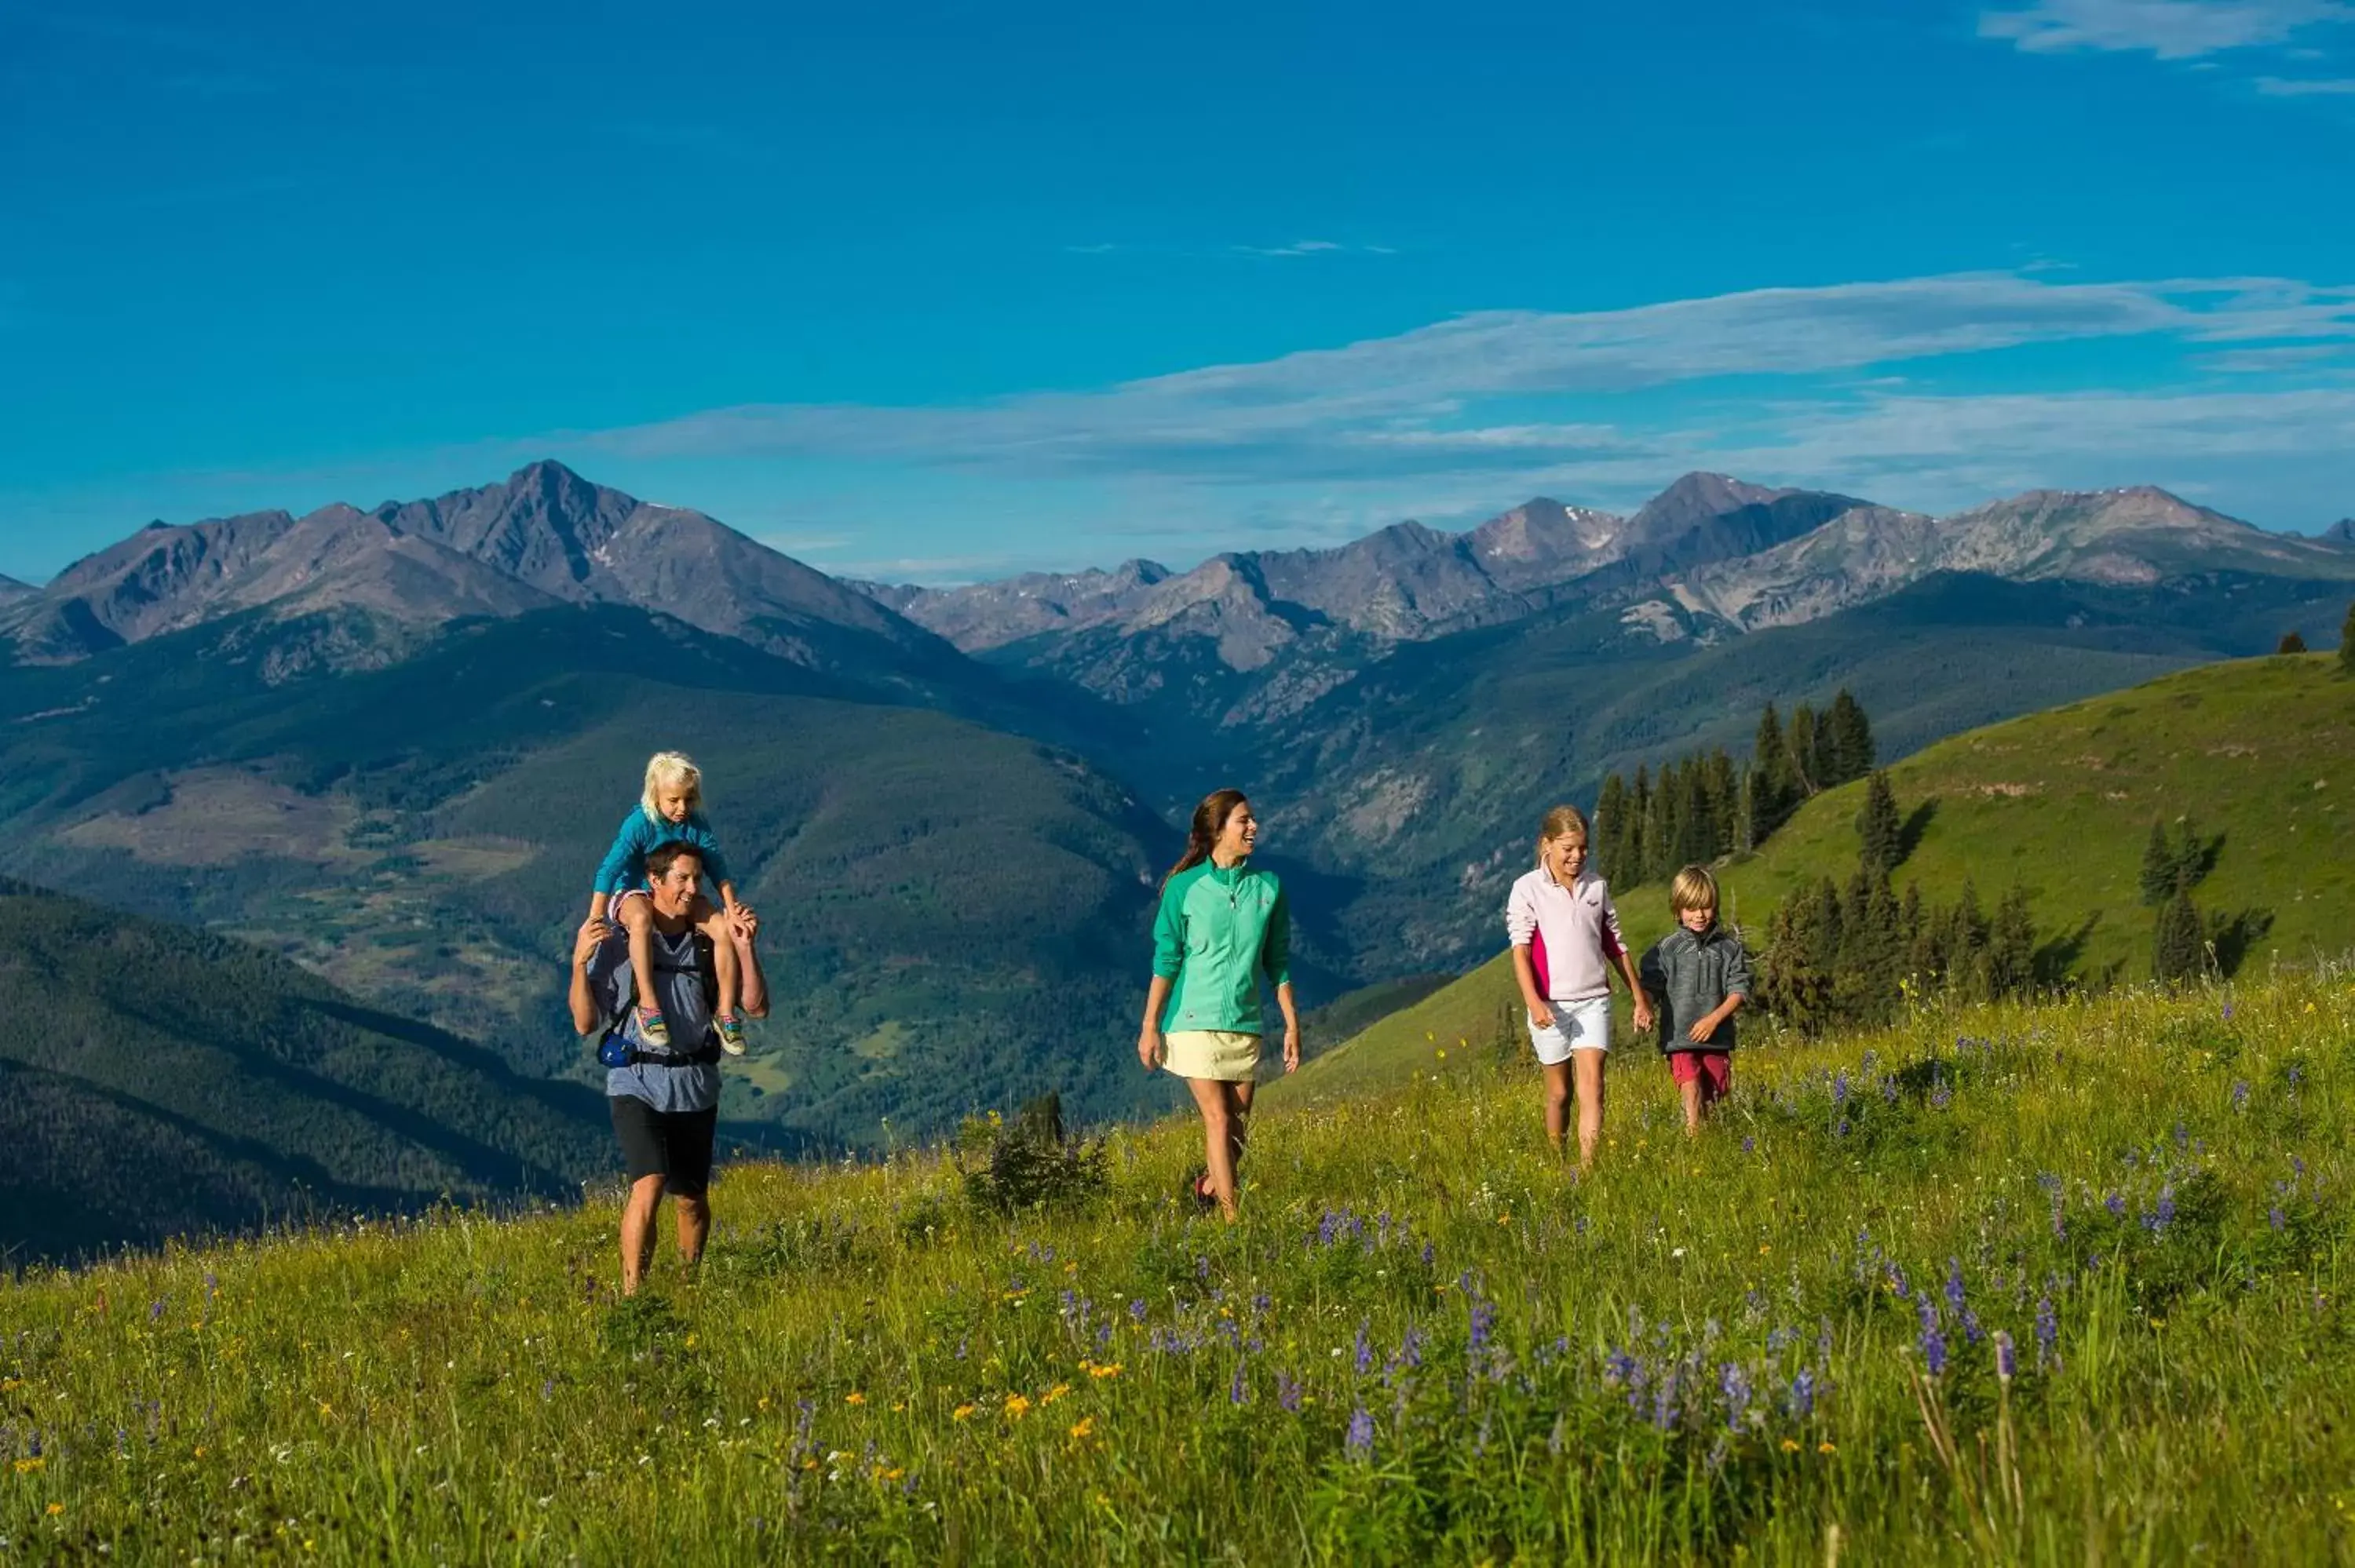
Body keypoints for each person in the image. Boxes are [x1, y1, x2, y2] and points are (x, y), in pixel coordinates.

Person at [569, 842, 769, 1296]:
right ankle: (634, 1296)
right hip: (635, 1080)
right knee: (650, 1182)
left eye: (697, 878)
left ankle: (687, 1286)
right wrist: (578, 964)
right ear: (654, 882)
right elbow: (585, 1022)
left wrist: (745, 948)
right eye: (682, 879)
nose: (693, 889)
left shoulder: (710, 939)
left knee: (692, 1200)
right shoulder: (621, 942)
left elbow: (756, 1006)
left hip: (695, 1085)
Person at [1136, 789, 1299, 1222]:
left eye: (1252, 819)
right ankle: (1233, 1222)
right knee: (1218, 1119)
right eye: (1243, 820)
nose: (1253, 827)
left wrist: (1291, 1026)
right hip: (1192, 1020)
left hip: (1245, 1022)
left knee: (1238, 1128)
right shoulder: (1184, 889)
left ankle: (1208, 1187)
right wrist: (1150, 1024)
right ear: (1219, 830)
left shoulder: (1269, 888)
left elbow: (1277, 962)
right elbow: (1166, 958)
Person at [1506, 804, 1652, 1170]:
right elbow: (1520, 953)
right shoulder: (1527, 889)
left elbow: (1615, 944)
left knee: (1594, 1087)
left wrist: (1638, 997)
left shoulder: (1597, 886)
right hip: (1551, 1007)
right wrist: (1534, 1002)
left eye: (1583, 848)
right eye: (1568, 848)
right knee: (1559, 1093)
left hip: (1593, 1002)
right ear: (1547, 846)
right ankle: (1558, 1164)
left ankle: (1587, 1171)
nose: (1577, 856)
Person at [589, 751, 752, 1055]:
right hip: (633, 892)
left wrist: (731, 910)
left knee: (723, 931)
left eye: (688, 800)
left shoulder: (697, 824)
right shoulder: (640, 823)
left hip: (678, 892)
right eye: (673, 800)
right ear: (656, 796)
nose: (682, 808)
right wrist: (595, 919)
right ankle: (648, 1004)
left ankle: (726, 1012)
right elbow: (609, 870)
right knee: (640, 920)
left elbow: (717, 867)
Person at [1639, 865, 1751, 1137]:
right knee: (1691, 1086)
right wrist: (1644, 1007)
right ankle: (1693, 1137)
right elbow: (1651, 986)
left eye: (1706, 907)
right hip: (1679, 1037)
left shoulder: (1729, 949)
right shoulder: (1665, 950)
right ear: (1678, 910)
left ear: (1715, 907)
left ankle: (1709, 1142)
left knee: (1714, 1096)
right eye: (1691, 908)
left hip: (1717, 1037)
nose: (1699, 915)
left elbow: (1739, 990)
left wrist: (1714, 1019)